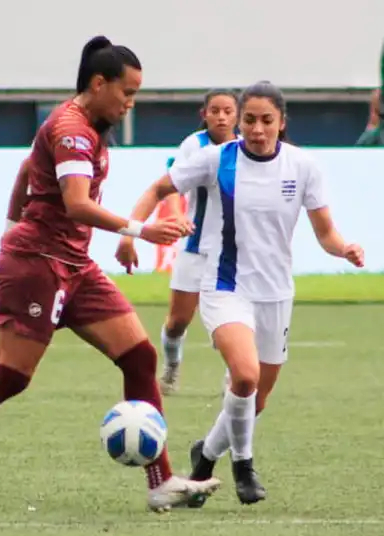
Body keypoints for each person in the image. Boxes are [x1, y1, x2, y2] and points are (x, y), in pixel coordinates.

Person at [0, 35, 222, 514]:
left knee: (140, 357)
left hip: (74, 265)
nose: (131, 103)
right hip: (38, 264)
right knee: (11, 377)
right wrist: (141, 230)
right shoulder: (72, 130)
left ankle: (160, 481)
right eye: (127, 93)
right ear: (99, 83)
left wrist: (8, 228)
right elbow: (77, 204)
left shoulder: (86, 125)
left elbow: (26, 171)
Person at [117, 81, 364, 506]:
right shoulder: (215, 160)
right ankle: (244, 466)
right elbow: (159, 189)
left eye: (267, 120)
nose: (257, 129)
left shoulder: (303, 167)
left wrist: (344, 248)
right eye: (249, 120)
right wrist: (130, 233)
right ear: (239, 122)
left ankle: (206, 455)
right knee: (244, 376)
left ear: (281, 123)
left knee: (257, 398)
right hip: (225, 287)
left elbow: (325, 233)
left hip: (276, 294)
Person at [132, 89, 239, 395]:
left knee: (227, 320)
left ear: (237, 115)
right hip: (194, 249)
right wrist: (178, 217)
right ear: (203, 114)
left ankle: (235, 375)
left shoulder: (246, 148)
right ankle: (172, 366)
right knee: (178, 321)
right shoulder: (194, 145)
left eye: (228, 111)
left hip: (231, 253)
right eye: (215, 110)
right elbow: (172, 187)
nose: (221, 116)